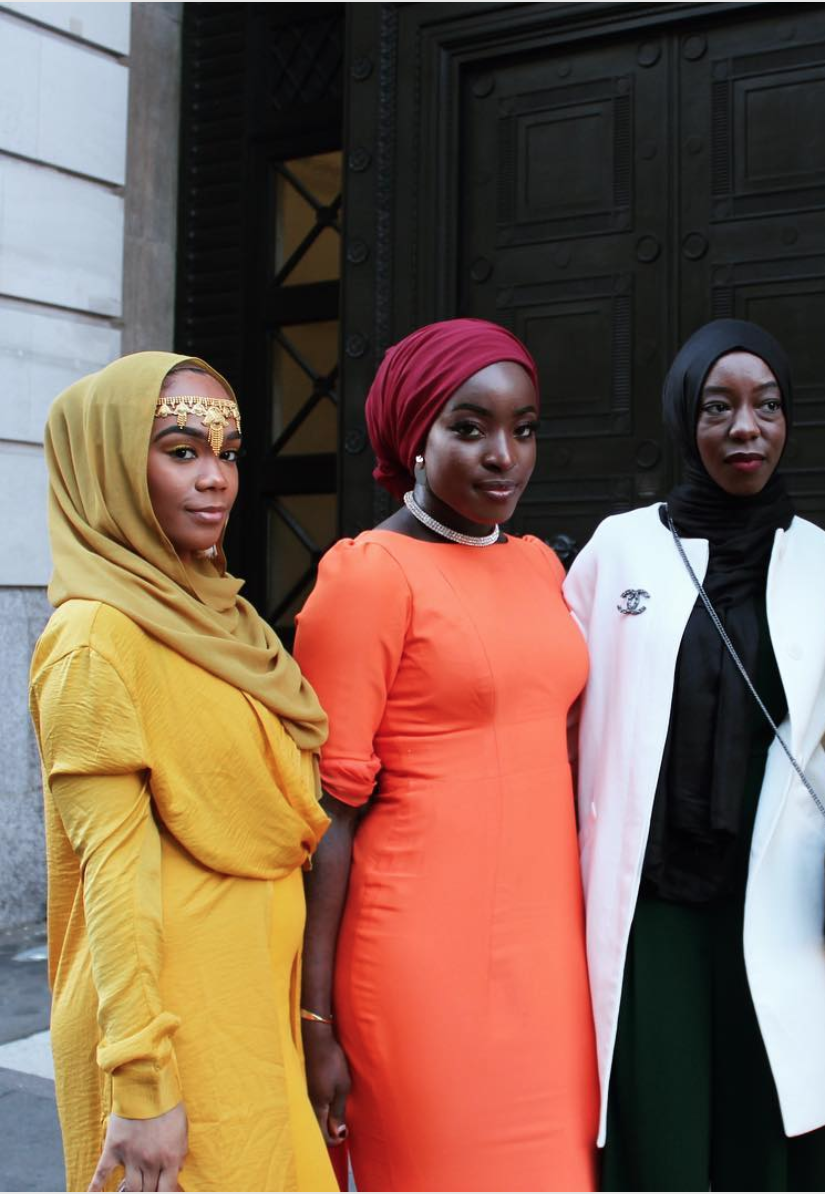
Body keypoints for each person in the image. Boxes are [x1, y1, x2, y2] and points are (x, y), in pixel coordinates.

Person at [563, 319, 825, 1191]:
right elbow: (568, 710)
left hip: (777, 893)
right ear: (683, 417)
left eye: (768, 406)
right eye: (719, 407)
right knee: (656, 1110)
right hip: (652, 896)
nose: (747, 427)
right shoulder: (620, 548)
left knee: (767, 1117)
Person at [293, 318, 598, 1191]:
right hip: (418, 963)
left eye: (524, 429)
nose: (504, 456)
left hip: (550, 959)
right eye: (470, 428)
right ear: (413, 439)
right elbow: (325, 814)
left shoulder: (540, 568)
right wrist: (315, 1020)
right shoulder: (368, 575)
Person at [29, 354, 336, 1192]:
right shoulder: (94, 639)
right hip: (169, 1031)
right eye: (180, 451)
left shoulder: (223, 618)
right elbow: (113, 873)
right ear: (109, 467)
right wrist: (141, 1084)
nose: (216, 479)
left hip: (249, 1008)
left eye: (228, 453)